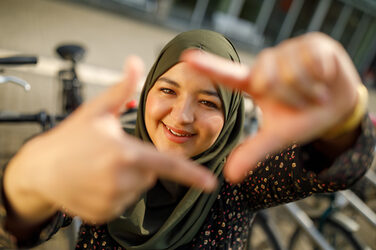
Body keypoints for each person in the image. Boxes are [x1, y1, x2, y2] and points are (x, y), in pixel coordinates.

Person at [0, 30, 375, 249]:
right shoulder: (111, 158)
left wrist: (342, 122)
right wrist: (29, 179)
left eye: (209, 101)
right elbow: (20, 227)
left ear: (230, 116)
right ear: (147, 90)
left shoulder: (236, 180)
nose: (182, 117)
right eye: (168, 90)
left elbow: (336, 170)